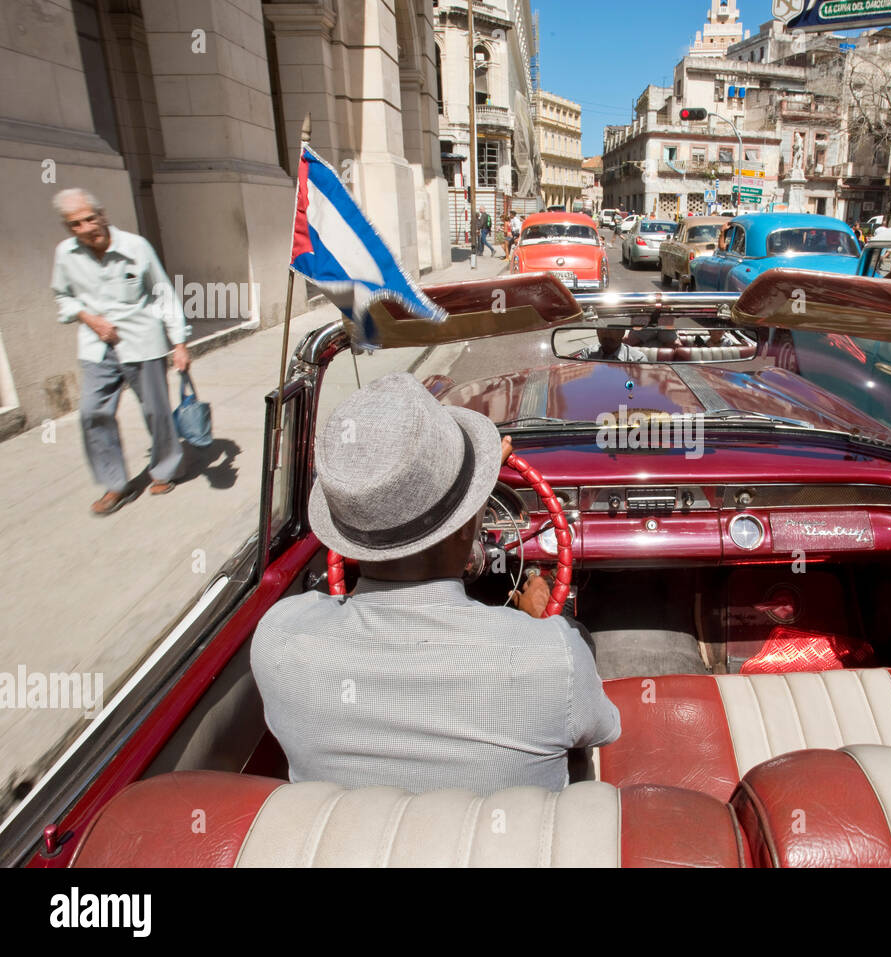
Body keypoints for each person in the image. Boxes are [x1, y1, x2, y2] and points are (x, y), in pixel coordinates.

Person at [250, 373, 620, 794]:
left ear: (348, 534)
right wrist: (543, 627)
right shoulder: (554, 656)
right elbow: (603, 730)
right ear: (468, 527)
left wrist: (459, 498)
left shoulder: (279, 638)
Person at [50, 188, 190, 516]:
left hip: (142, 342)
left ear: (102, 216)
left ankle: (165, 469)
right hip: (97, 347)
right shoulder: (65, 254)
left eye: (89, 218)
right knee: (92, 413)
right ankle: (115, 484)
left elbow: (163, 294)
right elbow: (62, 297)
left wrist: (179, 343)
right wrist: (88, 317)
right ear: (68, 228)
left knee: (155, 411)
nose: (85, 228)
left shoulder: (135, 247)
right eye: (75, 224)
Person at [574, 328, 647, 362]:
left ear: (622, 332)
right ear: (597, 332)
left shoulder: (637, 359)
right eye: (602, 328)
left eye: (612, 328)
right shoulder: (588, 353)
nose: (606, 332)